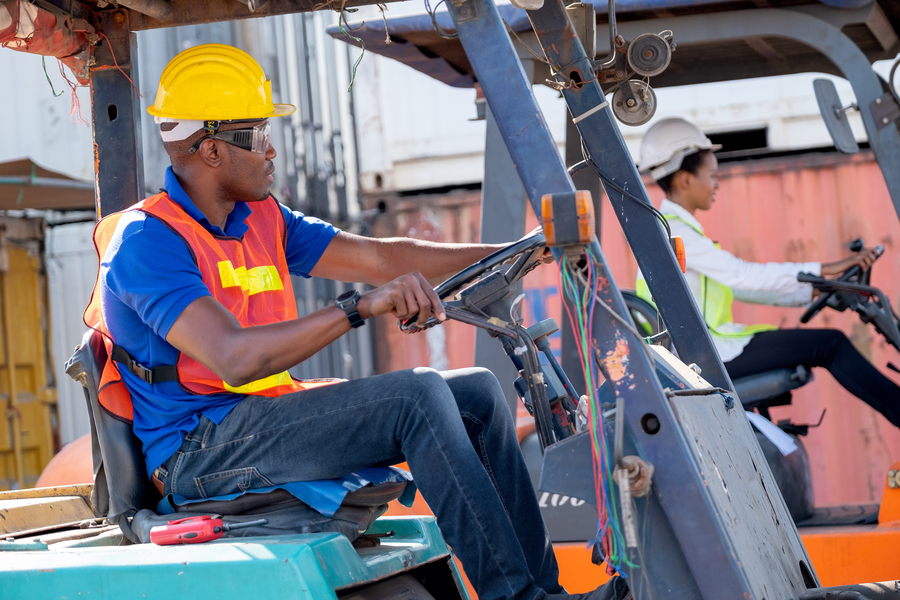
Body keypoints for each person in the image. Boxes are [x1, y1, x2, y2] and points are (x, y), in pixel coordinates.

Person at [84, 44, 626, 600]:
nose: (272, 149)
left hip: (255, 420)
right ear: (213, 148)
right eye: (259, 133)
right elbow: (235, 357)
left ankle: (546, 594)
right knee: (415, 398)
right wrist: (357, 307)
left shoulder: (259, 218)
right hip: (198, 450)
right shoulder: (146, 241)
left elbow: (382, 258)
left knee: (479, 395)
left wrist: (523, 251)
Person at [635, 117, 900, 428]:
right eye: (712, 175)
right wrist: (823, 272)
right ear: (685, 179)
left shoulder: (677, 229)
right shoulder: (678, 233)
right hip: (708, 357)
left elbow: (745, 287)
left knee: (827, 344)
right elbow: (743, 276)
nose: (718, 184)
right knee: (832, 345)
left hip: (709, 350)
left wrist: (817, 286)